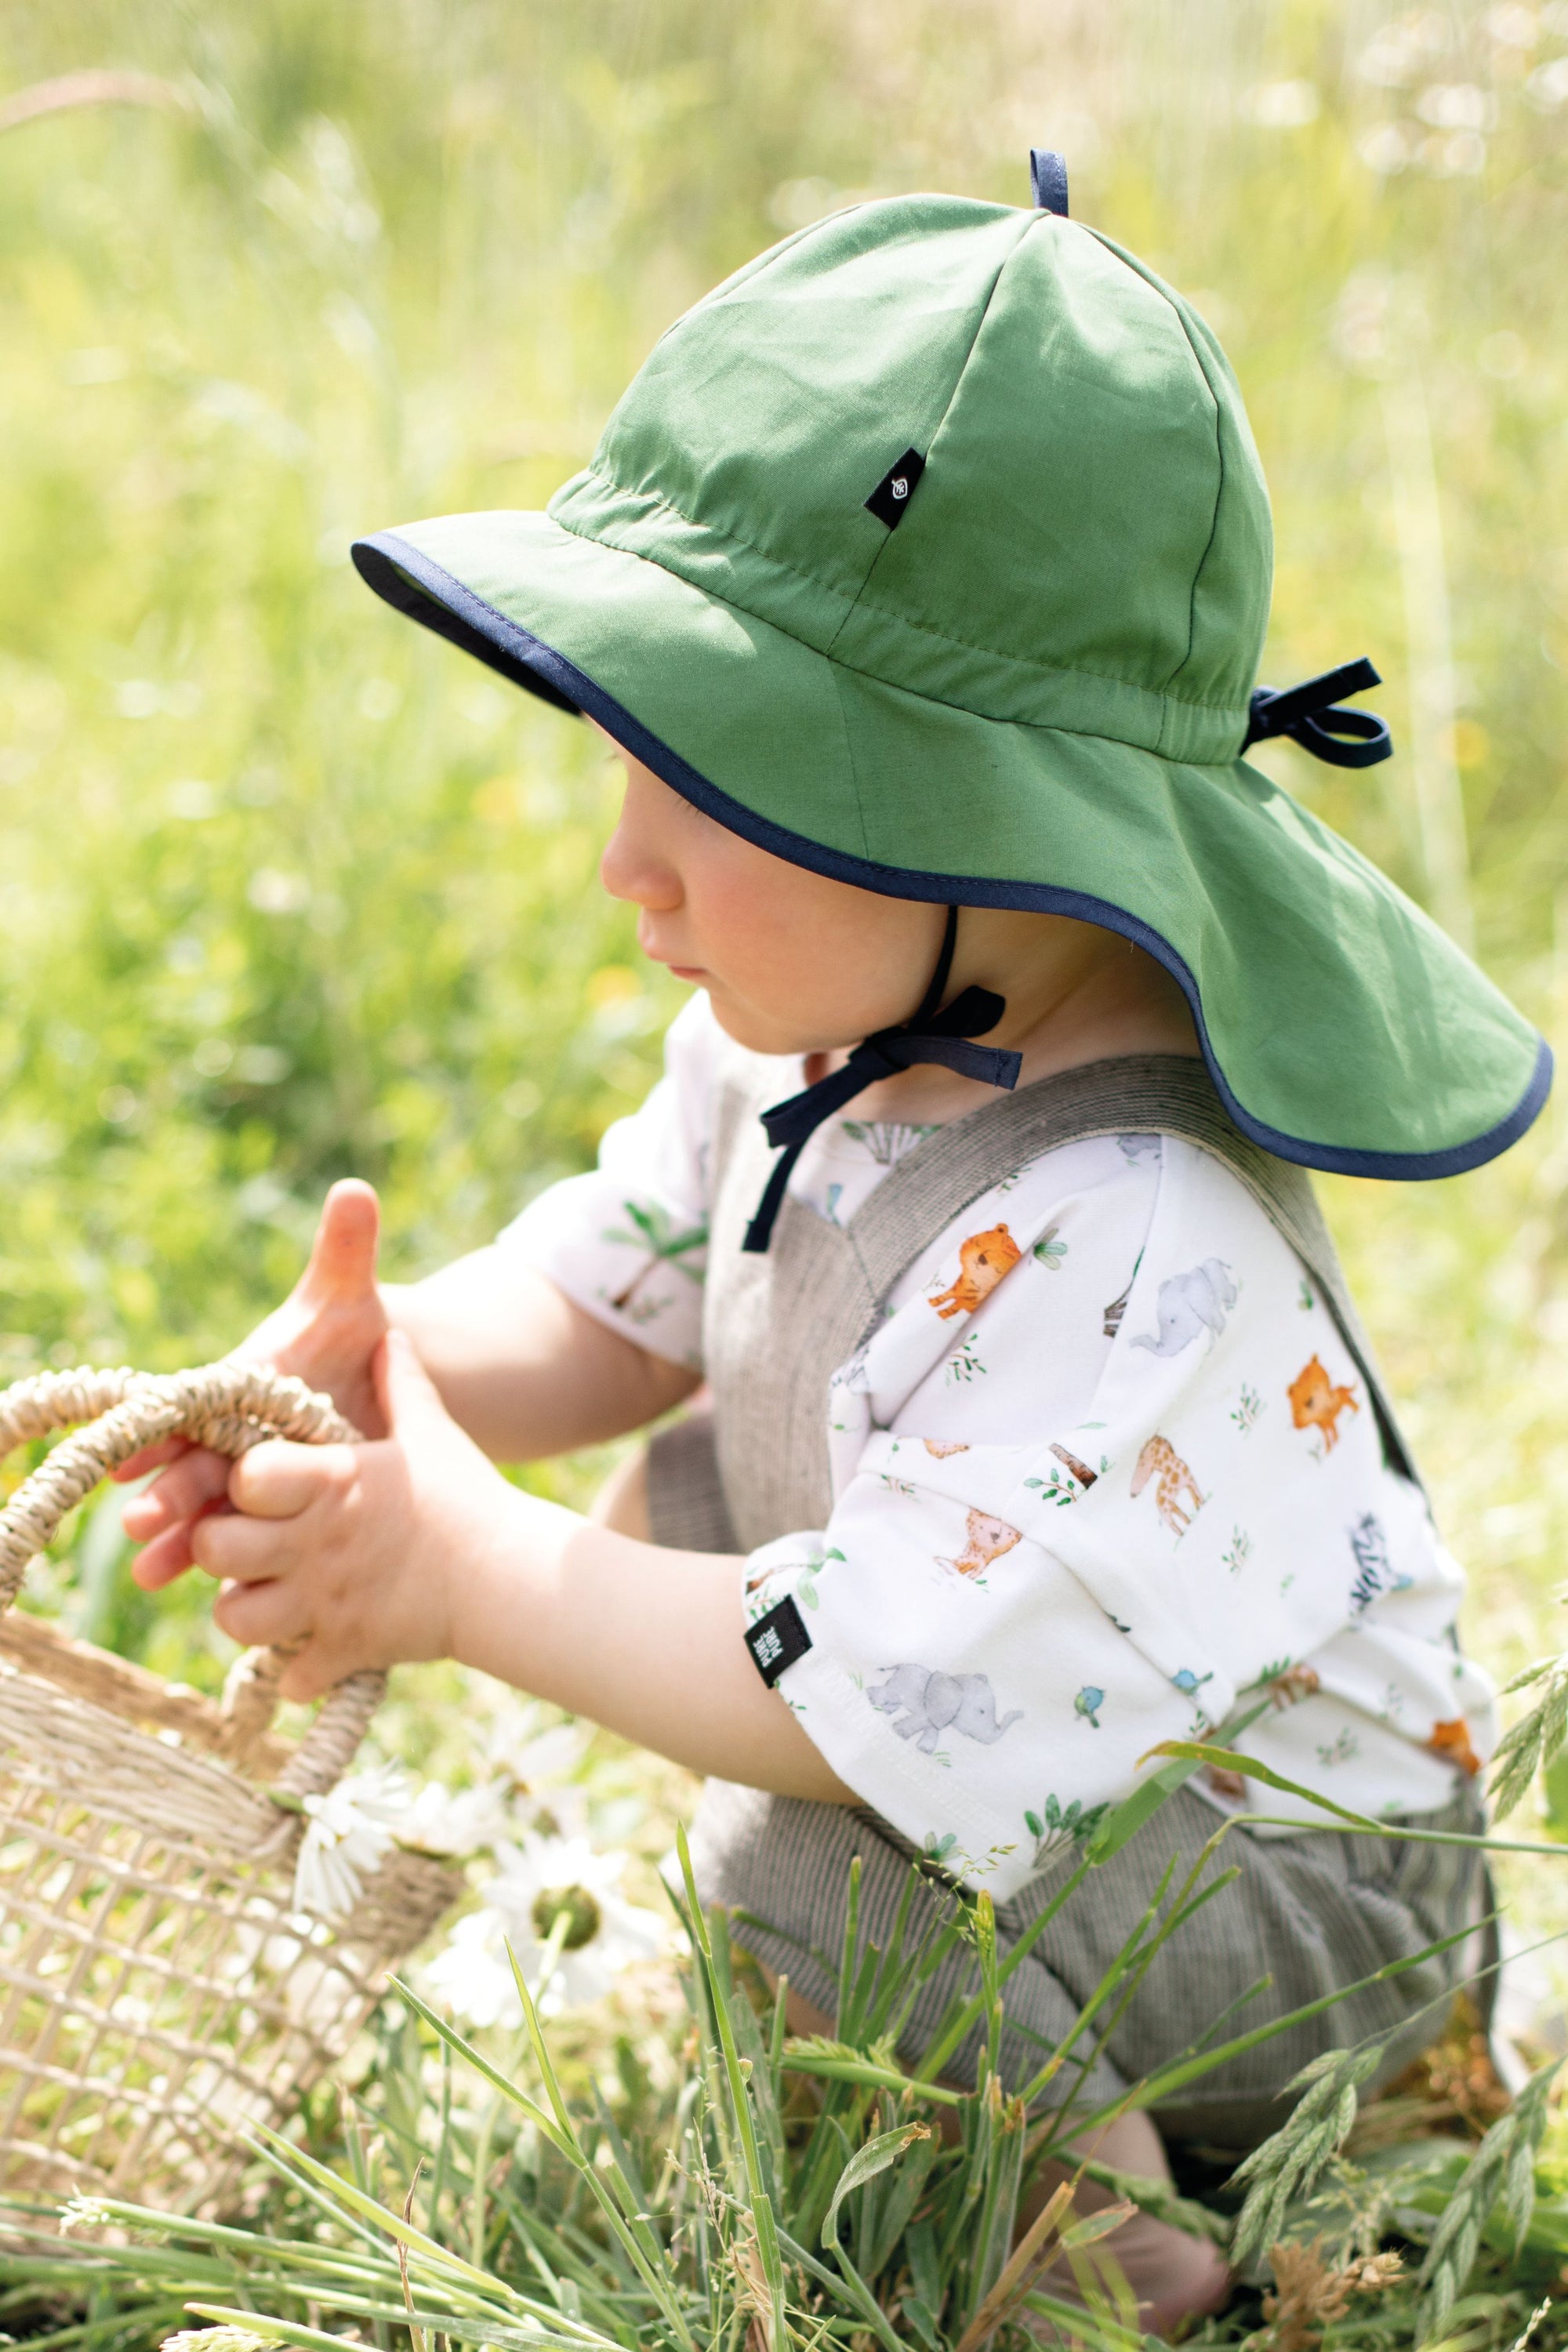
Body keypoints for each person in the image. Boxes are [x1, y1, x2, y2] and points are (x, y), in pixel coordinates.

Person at [122, 158, 1547, 2329]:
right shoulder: (811, 1039)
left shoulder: (1136, 1230)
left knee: (805, 1881)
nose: (632, 870)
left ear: (981, 812)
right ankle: (1063, 2158)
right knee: (787, 1804)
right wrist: (393, 1368)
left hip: (1294, 1935)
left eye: (715, 791)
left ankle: (1164, 2279)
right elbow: (612, 1290)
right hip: (1036, 1815)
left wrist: (461, 1567)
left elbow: (866, 1705)